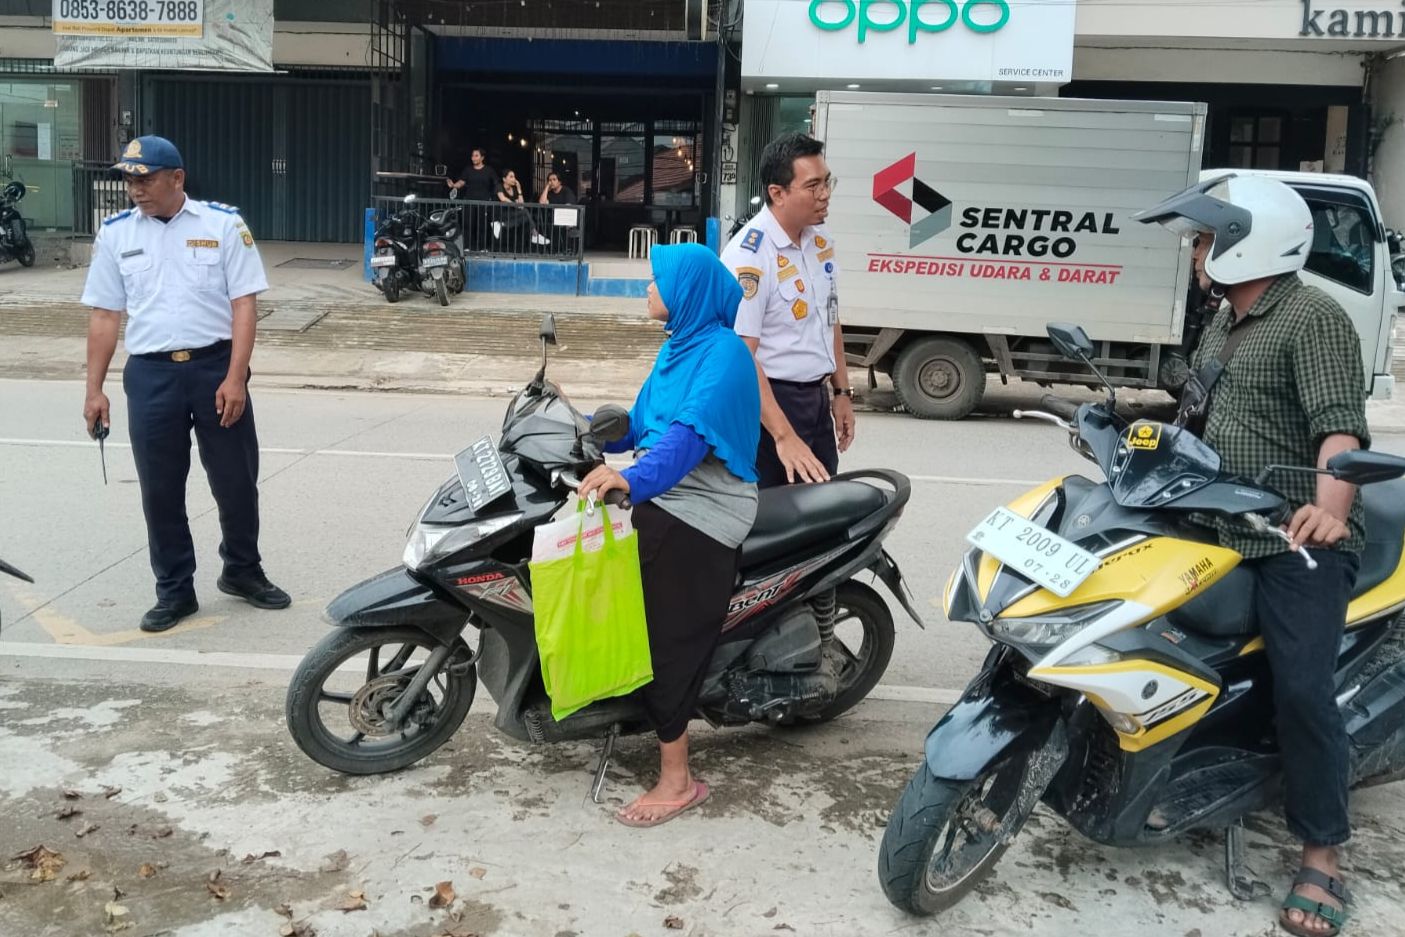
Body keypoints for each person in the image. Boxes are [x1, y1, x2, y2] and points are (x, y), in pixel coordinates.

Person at [1138, 175, 1369, 937]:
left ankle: (1321, 852)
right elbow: (1199, 409)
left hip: (1286, 537)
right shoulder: (1223, 320)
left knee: (1301, 688)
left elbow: (1339, 429)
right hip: (1210, 519)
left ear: (1249, 242)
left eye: (1206, 239)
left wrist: (1328, 508)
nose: (1197, 253)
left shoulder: (1313, 317)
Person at [577, 242, 761, 828]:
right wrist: (581, 434)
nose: (647, 289)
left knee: (662, 627)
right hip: (669, 485)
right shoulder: (678, 346)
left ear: (688, 290)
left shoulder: (725, 354)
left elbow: (685, 438)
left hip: (707, 503)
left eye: (657, 281)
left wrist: (629, 482)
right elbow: (640, 424)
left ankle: (678, 780)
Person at [80, 135, 290, 633]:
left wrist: (235, 376)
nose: (135, 189)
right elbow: (106, 315)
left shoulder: (222, 225)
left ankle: (242, 570)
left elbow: (244, 305)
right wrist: (94, 389)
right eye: (129, 179)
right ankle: (174, 589)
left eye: (146, 178)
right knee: (161, 490)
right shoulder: (115, 235)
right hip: (151, 375)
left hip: (215, 367)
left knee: (236, 481)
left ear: (177, 178)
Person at [720, 131, 854, 488]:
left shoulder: (819, 242)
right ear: (777, 193)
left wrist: (841, 392)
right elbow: (741, 356)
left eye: (827, 182)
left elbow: (830, 318)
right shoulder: (749, 255)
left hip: (816, 399)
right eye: (812, 186)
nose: (824, 195)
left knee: (821, 509)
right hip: (769, 407)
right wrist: (783, 436)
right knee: (777, 521)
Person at [447, 148, 500, 250]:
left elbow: (496, 183)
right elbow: (461, 182)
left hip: (483, 201)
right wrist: (453, 185)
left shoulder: (489, 170)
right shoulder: (468, 170)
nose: (473, 158)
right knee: (467, 225)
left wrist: (498, 195)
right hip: (469, 201)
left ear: (482, 157)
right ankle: (467, 247)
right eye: (472, 156)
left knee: (482, 225)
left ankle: (483, 248)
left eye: (476, 155)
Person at [495, 169, 549, 248]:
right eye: (511, 177)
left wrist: (519, 190)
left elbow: (521, 204)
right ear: (504, 179)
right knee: (525, 212)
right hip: (500, 213)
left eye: (514, 177)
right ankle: (535, 234)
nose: (514, 179)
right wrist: (515, 205)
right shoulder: (499, 186)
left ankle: (502, 225)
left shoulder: (514, 189)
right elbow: (503, 199)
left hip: (511, 214)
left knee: (525, 217)